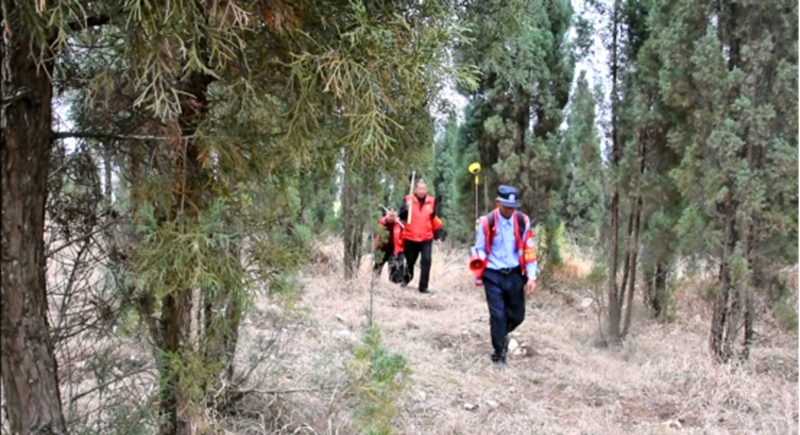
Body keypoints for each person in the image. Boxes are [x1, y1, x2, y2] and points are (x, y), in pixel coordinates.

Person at [472, 185, 538, 367]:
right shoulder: (487, 222)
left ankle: (498, 330)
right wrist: (478, 266)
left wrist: (532, 276)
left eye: (513, 206)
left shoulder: (523, 221)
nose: (510, 210)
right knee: (498, 314)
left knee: (518, 316)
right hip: (493, 274)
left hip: (515, 274)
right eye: (507, 205)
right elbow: (479, 248)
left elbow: (529, 250)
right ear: (498, 203)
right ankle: (499, 354)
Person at [398, 178, 443, 294]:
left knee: (426, 261)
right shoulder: (408, 199)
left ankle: (423, 287)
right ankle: (407, 278)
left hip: (426, 237)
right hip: (410, 237)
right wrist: (407, 208)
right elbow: (401, 216)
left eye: (424, 189)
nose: (422, 191)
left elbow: (433, 219)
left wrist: (436, 236)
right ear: (415, 189)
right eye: (419, 189)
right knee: (410, 262)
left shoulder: (431, 201)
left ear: (426, 189)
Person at [373, 209, 405, 283]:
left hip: (393, 250)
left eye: (393, 216)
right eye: (390, 215)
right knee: (377, 266)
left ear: (396, 216)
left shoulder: (399, 225)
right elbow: (375, 234)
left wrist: (401, 246)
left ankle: (394, 285)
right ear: (387, 215)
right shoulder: (381, 223)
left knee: (393, 268)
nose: (392, 217)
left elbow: (403, 236)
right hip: (381, 249)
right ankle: (374, 282)